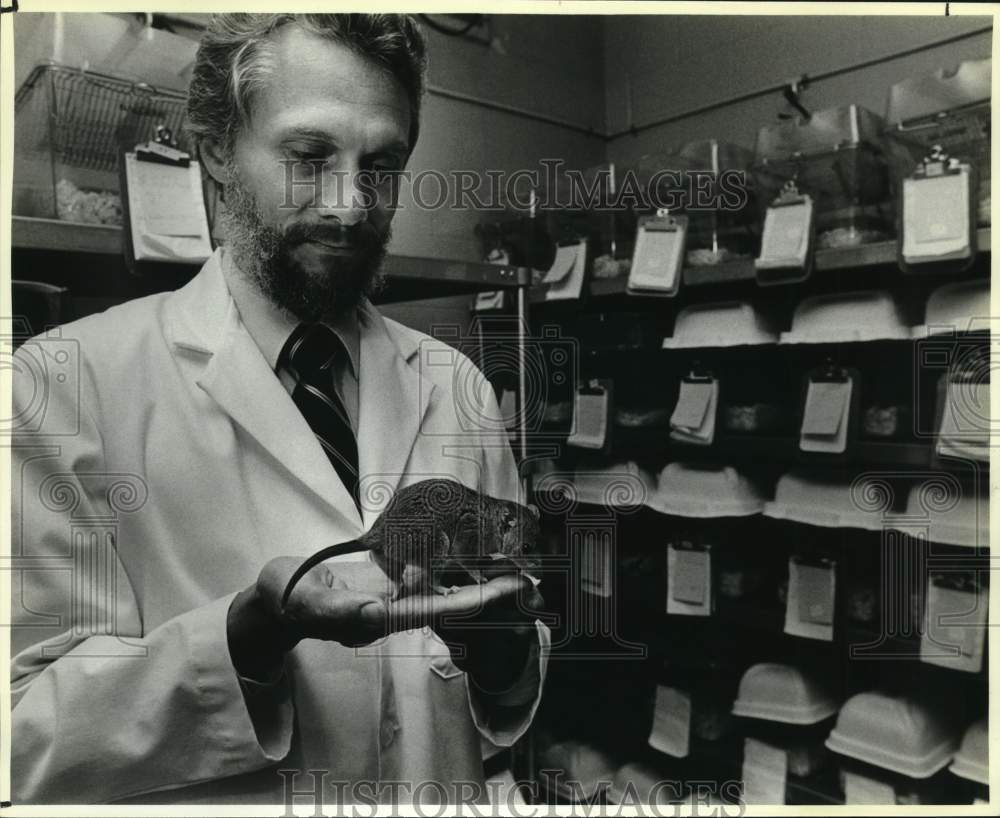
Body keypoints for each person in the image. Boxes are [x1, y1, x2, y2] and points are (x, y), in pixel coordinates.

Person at [10, 13, 548, 806]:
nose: (351, 205)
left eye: (382, 165)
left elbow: (503, 698)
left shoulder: (455, 383)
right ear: (219, 150)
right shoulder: (60, 386)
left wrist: (502, 652)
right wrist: (247, 640)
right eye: (310, 155)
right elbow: (22, 736)